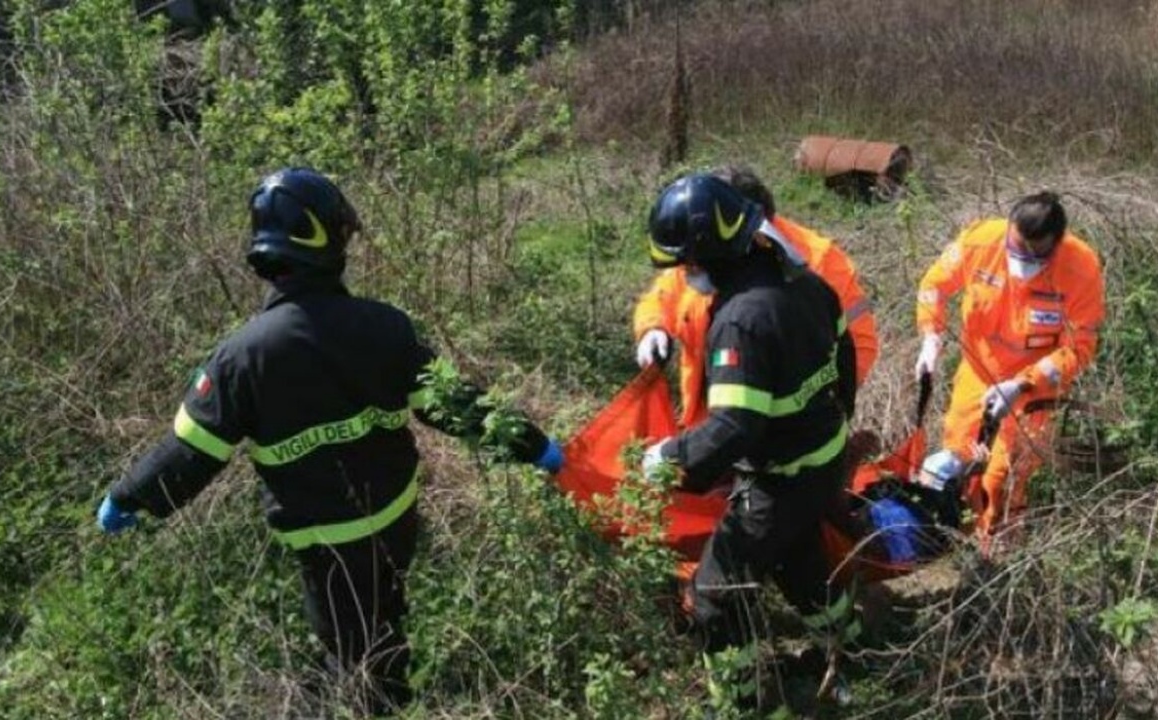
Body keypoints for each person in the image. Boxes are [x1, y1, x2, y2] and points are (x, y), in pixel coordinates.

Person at [94, 167, 564, 717]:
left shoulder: (241, 357)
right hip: (396, 519)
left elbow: (192, 454)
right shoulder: (384, 327)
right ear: (330, 240)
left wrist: (131, 496)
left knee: (352, 648)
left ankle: (374, 700)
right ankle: (374, 671)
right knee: (380, 614)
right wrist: (534, 447)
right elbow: (456, 406)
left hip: (324, 546)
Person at [639, 173, 857, 660]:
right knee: (799, 563)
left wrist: (667, 458)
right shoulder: (807, 283)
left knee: (715, 597)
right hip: (822, 460)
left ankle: (747, 700)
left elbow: (735, 427)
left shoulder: (741, 321)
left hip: (780, 480)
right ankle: (849, 648)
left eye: (688, 263)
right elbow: (845, 359)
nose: (686, 273)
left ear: (707, 255)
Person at [914, 191, 1104, 543]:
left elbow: (1081, 348)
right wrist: (930, 336)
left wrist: (1023, 384)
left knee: (1004, 477)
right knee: (958, 455)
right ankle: (957, 534)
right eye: (1017, 249)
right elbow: (934, 285)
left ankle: (998, 552)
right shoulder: (980, 241)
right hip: (978, 371)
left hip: (1034, 389)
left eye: (1035, 255)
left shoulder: (1081, 268)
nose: (1023, 262)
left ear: (1056, 243)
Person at [633, 166, 877, 430]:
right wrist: (653, 329)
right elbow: (662, 295)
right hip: (709, 424)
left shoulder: (820, 261)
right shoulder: (703, 253)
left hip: (787, 433)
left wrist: (813, 406)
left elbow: (859, 344)